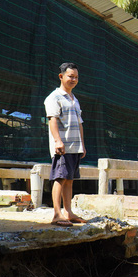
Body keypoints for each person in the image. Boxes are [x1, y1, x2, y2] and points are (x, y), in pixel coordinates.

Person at [44, 62, 87, 226]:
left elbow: (79, 123)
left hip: (75, 146)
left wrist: (82, 144)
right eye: (71, 76)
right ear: (61, 76)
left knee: (70, 179)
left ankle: (68, 212)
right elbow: (52, 120)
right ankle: (57, 214)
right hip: (62, 146)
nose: (74, 79)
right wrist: (58, 141)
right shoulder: (54, 98)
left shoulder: (74, 99)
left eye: (76, 77)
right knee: (60, 178)